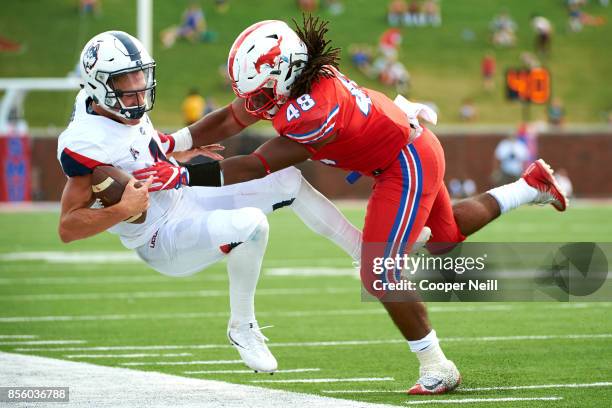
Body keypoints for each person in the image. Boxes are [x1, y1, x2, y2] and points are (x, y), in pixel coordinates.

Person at [135, 17, 568, 395]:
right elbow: (231, 117)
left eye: (265, 90)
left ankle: (437, 366)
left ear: (286, 73)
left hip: (405, 161)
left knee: (378, 272)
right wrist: (176, 142)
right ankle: (530, 186)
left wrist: (182, 174)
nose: (257, 102)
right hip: (406, 149)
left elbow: (256, 164)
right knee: (445, 236)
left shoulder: (315, 111)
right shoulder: (297, 83)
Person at [57, 30, 365, 375]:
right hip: (161, 236)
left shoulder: (114, 106)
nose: (137, 86)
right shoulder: (83, 143)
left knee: (287, 180)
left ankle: (362, 250)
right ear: (98, 85)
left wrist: (169, 147)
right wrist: (121, 210)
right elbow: (68, 227)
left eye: (139, 74)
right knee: (251, 225)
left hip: (185, 195)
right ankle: (243, 326)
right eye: (125, 80)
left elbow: (136, 143)